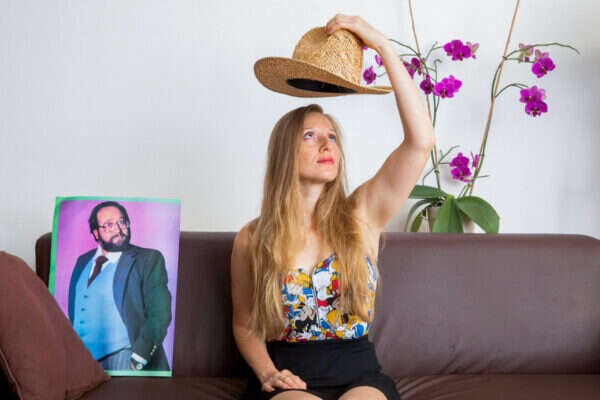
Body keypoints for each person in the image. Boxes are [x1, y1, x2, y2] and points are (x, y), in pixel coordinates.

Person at [233, 14, 435, 400]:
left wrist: (383, 46)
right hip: (289, 377)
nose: (327, 145)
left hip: (360, 375)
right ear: (285, 152)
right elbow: (244, 325)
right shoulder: (253, 237)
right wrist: (269, 373)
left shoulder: (362, 214)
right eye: (310, 136)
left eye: (332, 137)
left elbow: (421, 142)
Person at [68, 201, 172, 371]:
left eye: (122, 222)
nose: (118, 229)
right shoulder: (82, 261)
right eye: (108, 225)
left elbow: (160, 313)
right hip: (83, 362)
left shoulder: (148, 259)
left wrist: (139, 358)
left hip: (125, 357)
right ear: (96, 233)